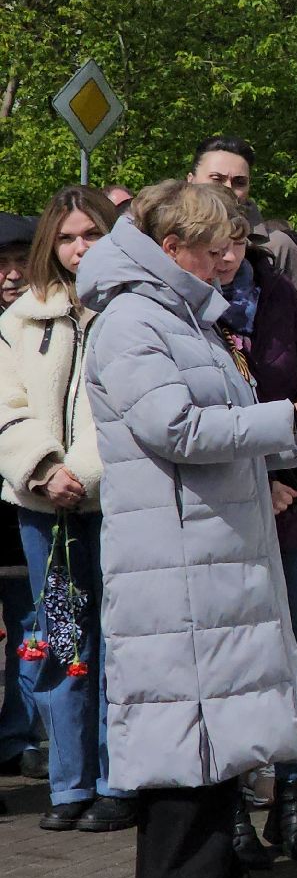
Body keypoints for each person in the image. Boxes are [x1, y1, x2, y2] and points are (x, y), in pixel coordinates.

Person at [76, 180, 297, 878]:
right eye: (212, 249)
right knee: (184, 757)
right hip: (178, 570)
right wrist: (288, 419)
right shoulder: (133, 320)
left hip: (210, 561)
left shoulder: (184, 315)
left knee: (215, 752)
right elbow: (174, 428)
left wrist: (294, 443)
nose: (226, 261)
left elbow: (218, 424)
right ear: (172, 249)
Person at [205, 194, 297, 865]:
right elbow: (196, 419)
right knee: (234, 663)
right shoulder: (186, 304)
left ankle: (294, 800)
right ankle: (232, 813)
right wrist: (258, 477)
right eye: (215, 244)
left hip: (296, 497)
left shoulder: (278, 293)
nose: (226, 257)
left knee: (296, 656)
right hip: (229, 505)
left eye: (235, 242)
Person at [0, 186, 133, 832]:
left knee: (117, 642)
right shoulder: (21, 319)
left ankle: (116, 780)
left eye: (92, 234)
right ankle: (69, 782)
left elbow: (126, 408)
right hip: (42, 509)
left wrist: (82, 472)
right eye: (68, 237)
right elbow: (7, 405)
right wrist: (45, 469)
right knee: (63, 639)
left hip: (115, 506)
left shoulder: (131, 310)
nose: (80, 248)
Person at [187, 136, 297, 326]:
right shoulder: (166, 237)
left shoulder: (278, 246)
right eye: (217, 179)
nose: (228, 188)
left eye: (239, 182)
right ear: (191, 180)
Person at [0, 211, 42, 783]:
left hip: (27, 497)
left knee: (34, 626)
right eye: (1, 264)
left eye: (20, 263)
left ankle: (17, 737)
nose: (11, 274)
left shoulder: (40, 324)